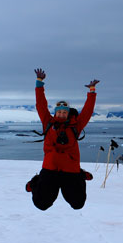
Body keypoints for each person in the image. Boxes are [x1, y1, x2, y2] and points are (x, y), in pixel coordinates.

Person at [26, 68, 99, 210]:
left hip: (70, 169)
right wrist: (39, 83)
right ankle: (36, 181)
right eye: (59, 112)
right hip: (50, 168)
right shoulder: (48, 122)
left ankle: (80, 174)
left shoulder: (75, 126)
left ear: (68, 114)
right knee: (41, 204)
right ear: (55, 113)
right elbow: (41, 105)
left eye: (64, 112)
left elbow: (87, 112)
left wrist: (92, 91)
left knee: (77, 204)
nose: (61, 114)